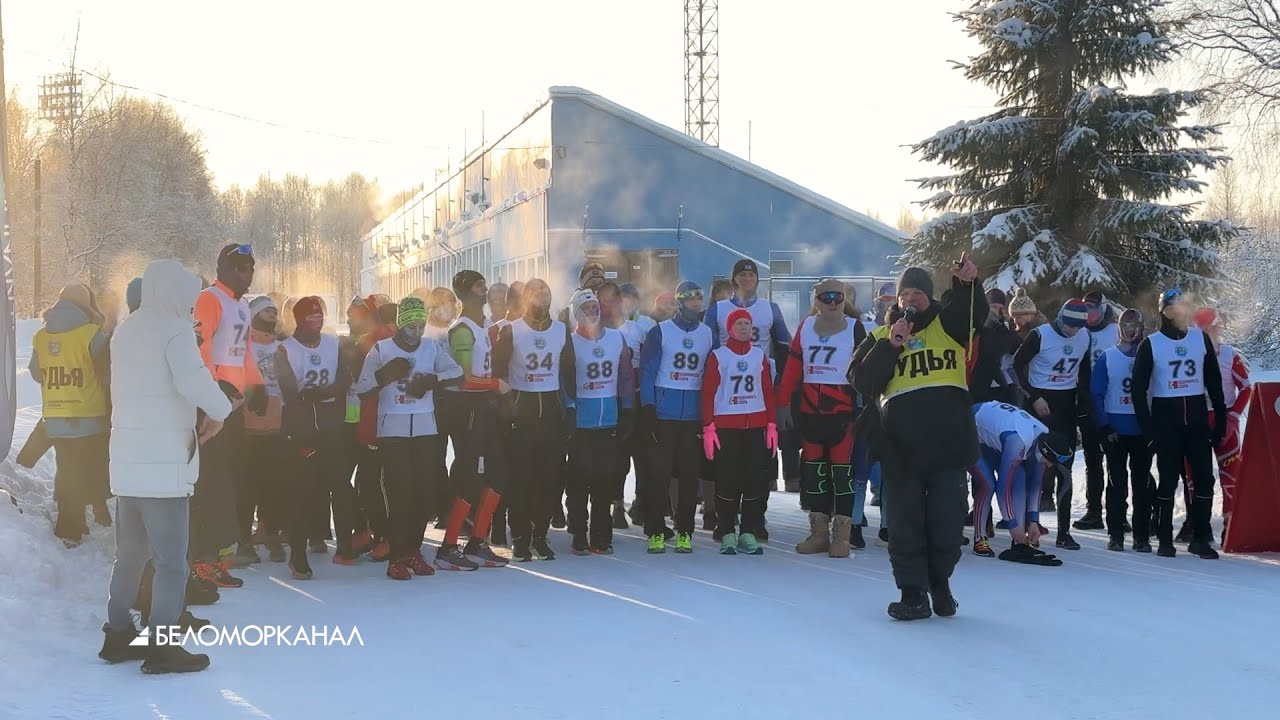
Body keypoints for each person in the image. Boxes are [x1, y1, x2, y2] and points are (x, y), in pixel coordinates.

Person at [98, 259, 232, 674]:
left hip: (127, 465)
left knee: (130, 557)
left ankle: (118, 634)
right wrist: (222, 409)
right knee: (172, 562)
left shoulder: (126, 330)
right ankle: (163, 645)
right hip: (164, 469)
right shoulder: (174, 331)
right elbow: (193, 381)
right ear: (175, 293)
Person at [850, 257, 985, 621]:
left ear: (929, 296)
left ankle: (940, 586)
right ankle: (912, 594)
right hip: (901, 450)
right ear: (895, 300)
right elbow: (861, 381)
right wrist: (891, 345)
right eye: (904, 293)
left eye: (918, 293)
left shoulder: (949, 325)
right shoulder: (881, 336)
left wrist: (969, 285)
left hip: (948, 444)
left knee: (947, 523)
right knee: (905, 527)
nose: (911, 299)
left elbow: (974, 312)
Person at [355, 297, 464, 580]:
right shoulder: (382, 349)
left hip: (426, 426)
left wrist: (432, 381)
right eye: (411, 327)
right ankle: (396, 555)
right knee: (400, 493)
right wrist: (385, 376)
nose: (417, 333)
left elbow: (457, 372)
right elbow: (363, 388)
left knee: (424, 493)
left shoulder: (431, 345)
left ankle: (412, 551)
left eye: (420, 326)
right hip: (393, 429)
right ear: (401, 325)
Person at [190, 244, 267, 588]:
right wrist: (213, 388)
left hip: (232, 406)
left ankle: (218, 556)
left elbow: (244, 351)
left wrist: (257, 385)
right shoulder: (210, 299)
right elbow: (200, 346)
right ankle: (201, 559)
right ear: (223, 268)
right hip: (211, 405)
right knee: (210, 483)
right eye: (239, 266)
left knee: (228, 482)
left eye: (250, 267)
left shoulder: (242, 305)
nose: (246, 272)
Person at [1132, 289, 1226, 559]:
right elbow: (1139, 390)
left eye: (1181, 307)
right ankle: (1164, 539)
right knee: (1168, 481)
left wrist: (1219, 420)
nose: (1177, 312)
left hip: (1196, 417)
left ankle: (1200, 537)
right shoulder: (1152, 344)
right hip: (1166, 418)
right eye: (1170, 308)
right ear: (1163, 312)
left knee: (1204, 480)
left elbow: (1214, 382)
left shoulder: (1200, 339)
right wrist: (1147, 428)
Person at [776, 279, 867, 557]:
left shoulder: (854, 327)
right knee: (814, 474)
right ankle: (818, 533)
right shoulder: (805, 328)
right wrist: (782, 404)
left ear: (844, 300)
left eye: (837, 298)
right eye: (826, 297)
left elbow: (866, 368)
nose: (832, 303)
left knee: (842, 475)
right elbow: (792, 366)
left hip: (842, 414)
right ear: (816, 300)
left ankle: (842, 536)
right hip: (810, 412)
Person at [273, 297, 361, 579]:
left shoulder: (334, 343)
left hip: (332, 426)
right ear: (299, 320)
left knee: (340, 485)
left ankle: (345, 543)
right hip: (301, 430)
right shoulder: (285, 349)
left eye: (320, 315)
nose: (318, 321)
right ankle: (297, 554)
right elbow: (291, 393)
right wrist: (319, 394)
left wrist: (326, 392)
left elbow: (345, 378)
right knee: (303, 489)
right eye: (311, 317)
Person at [491, 278, 569, 562]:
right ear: (525, 298)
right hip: (521, 408)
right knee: (521, 479)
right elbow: (496, 371)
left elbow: (569, 372)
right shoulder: (512, 330)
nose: (542, 298)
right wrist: (506, 406)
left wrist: (570, 410)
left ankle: (540, 534)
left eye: (546, 293)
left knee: (549, 479)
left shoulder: (561, 330)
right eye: (535, 294)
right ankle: (521, 537)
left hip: (550, 408)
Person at [31, 284, 113, 545]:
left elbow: (35, 373)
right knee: (89, 468)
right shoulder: (92, 334)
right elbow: (107, 372)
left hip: (55, 417)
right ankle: (78, 523)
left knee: (68, 468)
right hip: (88, 415)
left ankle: (72, 525)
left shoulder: (41, 337)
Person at [441, 270, 511, 570]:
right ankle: (448, 546)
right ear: (467, 292)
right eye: (480, 286)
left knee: (498, 474)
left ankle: (478, 542)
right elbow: (464, 380)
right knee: (470, 477)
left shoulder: (482, 326)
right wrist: (496, 384)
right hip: (468, 410)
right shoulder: (462, 329)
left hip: (485, 410)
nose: (486, 292)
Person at [1011, 298, 1092, 550]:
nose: (1072, 331)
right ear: (1059, 319)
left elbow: (1085, 371)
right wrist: (1033, 397)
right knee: (1032, 465)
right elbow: (1015, 366)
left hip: (1065, 403)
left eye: (1077, 326)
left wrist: (1082, 403)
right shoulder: (1040, 335)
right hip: (1039, 404)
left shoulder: (1084, 336)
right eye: (1068, 325)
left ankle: (1064, 531)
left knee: (1064, 468)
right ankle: (1025, 524)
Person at [639, 281, 711, 553]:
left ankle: (685, 531)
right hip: (664, 412)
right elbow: (647, 372)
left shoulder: (706, 333)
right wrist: (648, 408)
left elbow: (710, 375)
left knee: (690, 477)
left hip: (692, 415)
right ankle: (656, 530)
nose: (696, 302)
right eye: (691, 298)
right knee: (658, 475)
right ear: (680, 301)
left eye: (699, 298)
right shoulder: (661, 331)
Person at [561, 289, 636, 554]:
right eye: (585, 310)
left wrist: (627, 410)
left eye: (594, 309)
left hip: (609, 422)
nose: (591, 314)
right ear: (576, 315)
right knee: (580, 482)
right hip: (582, 422)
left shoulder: (617, 339)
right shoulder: (569, 342)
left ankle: (601, 533)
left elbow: (625, 376)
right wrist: (568, 409)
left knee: (605, 481)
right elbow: (564, 380)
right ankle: (579, 533)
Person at [702, 308, 777, 555]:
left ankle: (748, 531)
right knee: (727, 481)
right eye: (739, 324)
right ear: (730, 329)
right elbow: (709, 391)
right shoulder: (718, 356)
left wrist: (771, 423)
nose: (744, 327)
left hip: (755, 425)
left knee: (754, 480)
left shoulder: (759, 356)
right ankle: (726, 531)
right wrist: (708, 425)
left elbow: (767, 390)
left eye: (747, 323)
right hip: (727, 426)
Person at [969, 401, 1069, 565]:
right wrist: (1012, 524)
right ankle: (980, 538)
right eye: (1050, 461)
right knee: (989, 484)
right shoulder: (1018, 442)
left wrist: (1034, 521)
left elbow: (1036, 484)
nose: (1050, 466)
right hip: (967, 429)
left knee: (1020, 475)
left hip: (989, 433)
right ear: (1044, 451)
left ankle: (1019, 542)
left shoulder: (1043, 437)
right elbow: (1003, 488)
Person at [1091, 308, 1153, 552]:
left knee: (1142, 484)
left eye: (1134, 327)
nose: (1129, 332)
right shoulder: (1108, 357)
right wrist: (1104, 425)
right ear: (1119, 328)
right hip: (1115, 429)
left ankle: (1142, 536)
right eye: (1125, 327)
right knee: (1117, 484)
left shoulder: (1149, 356)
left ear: (1141, 329)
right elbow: (1097, 394)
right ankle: (1116, 534)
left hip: (1141, 429)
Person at [1192, 307, 1252, 541]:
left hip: (1224, 419)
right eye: (1204, 331)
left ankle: (1231, 524)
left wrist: (1234, 416)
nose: (1209, 334)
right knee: (1194, 476)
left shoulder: (1229, 354)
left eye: (1213, 329)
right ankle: (1196, 524)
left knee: (1230, 475)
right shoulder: (1191, 353)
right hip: (1197, 419)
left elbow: (1246, 387)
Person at [240, 296, 286, 564]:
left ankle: (270, 533)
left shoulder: (281, 347)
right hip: (247, 426)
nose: (272, 314)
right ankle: (244, 539)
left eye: (274, 311)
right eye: (266, 310)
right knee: (247, 486)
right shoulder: (243, 346)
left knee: (273, 486)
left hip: (277, 426)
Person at [352, 296, 397, 561]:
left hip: (379, 421)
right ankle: (377, 533)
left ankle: (385, 536)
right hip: (377, 420)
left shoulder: (373, 341)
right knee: (373, 482)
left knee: (375, 483)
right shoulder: (367, 341)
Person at [599, 281, 646, 529]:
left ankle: (639, 503)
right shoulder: (593, 331)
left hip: (634, 400)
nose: (610, 305)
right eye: (604, 300)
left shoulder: (637, 330)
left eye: (614, 299)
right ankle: (612, 504)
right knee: (614, 459)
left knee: (639, 456)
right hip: (606, 399)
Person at [1072, 290, 1120, 532]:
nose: (1091, 315)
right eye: (1087, 309)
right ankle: (1094, 511)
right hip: (1087, 405)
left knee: (1117, 460)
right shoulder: (1079, 333)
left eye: (1095, 309)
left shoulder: (1115, 331)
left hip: (1114, 405)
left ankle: (1118, 512)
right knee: (1093, 461)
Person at [969, 288, 1022, 406]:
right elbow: (989, 352)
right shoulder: (977, 327)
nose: (996, 312)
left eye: (1000, 308)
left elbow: (1017, 348)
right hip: (981, 386)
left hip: (1005, 385)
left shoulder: (1005, 327)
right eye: (993, 307)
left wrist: (1005, 330)